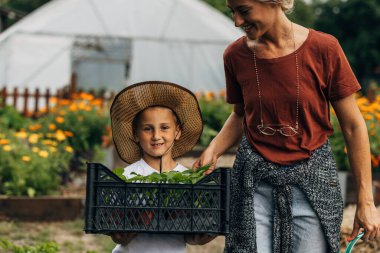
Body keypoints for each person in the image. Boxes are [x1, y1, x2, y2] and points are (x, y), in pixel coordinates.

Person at [193, 0, 380, 252]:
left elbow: (353, 127)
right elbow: (240, 115)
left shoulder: (324, 48)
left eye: (244, 10)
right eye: (232, 11)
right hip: (253, 185)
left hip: (312, 183)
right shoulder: (235, 56)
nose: (237, 21)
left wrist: (365, 200)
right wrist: (213, 150)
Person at [109, 81, 215, 253]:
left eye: (164, 128)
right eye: (147, 129)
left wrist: (203, 233)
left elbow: (190, 236)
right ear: (135, 134)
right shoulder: (127, 177)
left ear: (178, 132)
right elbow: (117, 234)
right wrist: (141, 217)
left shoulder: (188, 180)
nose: (156, 136)